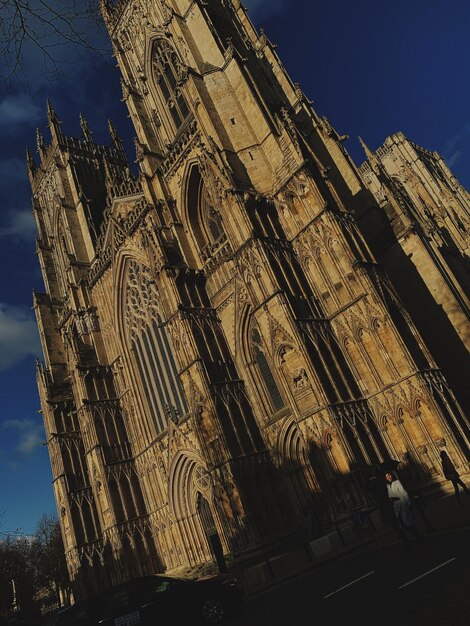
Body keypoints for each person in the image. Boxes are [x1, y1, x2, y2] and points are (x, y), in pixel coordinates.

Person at [385, 471, 422, 545]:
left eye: (389, 475)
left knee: (407, 521)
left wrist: (409, 503)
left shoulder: (397, 482)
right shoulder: (388, 486)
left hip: (402, 503)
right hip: (396, 506)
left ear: (392, 475)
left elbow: (404, 492)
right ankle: (416, 535)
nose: (389, 477)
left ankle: (417, 536)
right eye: (387, 476)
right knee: (401, 523)